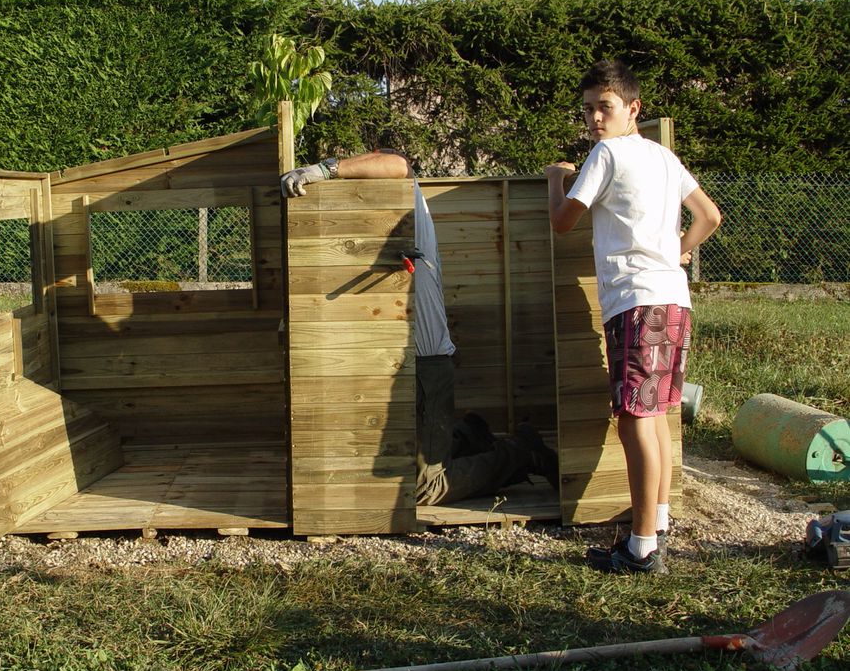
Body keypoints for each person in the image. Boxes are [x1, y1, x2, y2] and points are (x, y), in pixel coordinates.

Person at [282, 151, 558, 506]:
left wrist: (324, 170)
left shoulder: (407, 195)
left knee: (424, 487)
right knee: (397, 457)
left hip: (427, 366)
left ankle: (523, 454)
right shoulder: (391, 227)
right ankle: (469, 437)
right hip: (399, 363)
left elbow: (397, 163)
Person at [545, 60, 722, 574]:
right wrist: (679, 251)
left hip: (637, 301)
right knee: (656, 412)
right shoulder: (665, 157)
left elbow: (562, 222)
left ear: (633, 108)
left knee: (633, 417)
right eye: (588, 110)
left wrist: (557, 179)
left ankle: (642, 547)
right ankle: (656, 522)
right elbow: (709, 216)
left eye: (605, 107)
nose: (595, 119)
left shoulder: (607, 153)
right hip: (673, 298)